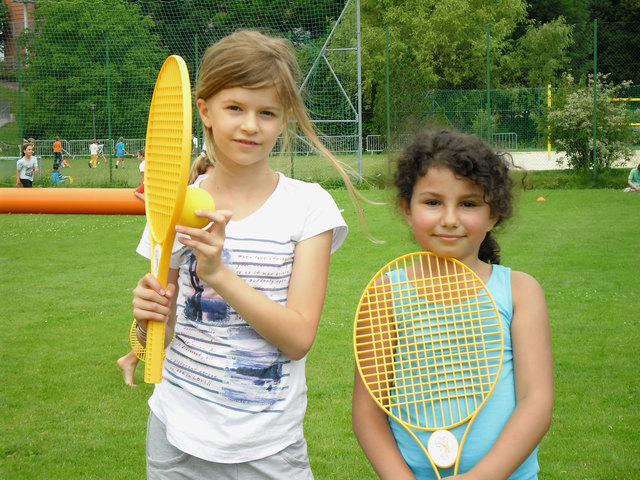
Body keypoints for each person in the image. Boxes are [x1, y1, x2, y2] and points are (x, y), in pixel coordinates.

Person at [130, 29, 371, 478]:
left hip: (268, 449)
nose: (249, 125)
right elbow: (158, 338)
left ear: (284, 120)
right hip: (175, 437)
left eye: (267, 113)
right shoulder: (171, 203)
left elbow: (298, 338)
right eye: (235, 108)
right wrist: (149, 321)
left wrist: (218, 273)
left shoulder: (308, 206)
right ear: (204, 110)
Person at [352, 130, 554, 480]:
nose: (449, 218)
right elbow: (368, 414)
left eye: (469, 203)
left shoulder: (521, 292)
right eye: (432, 202)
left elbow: (535, 403)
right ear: (406, 209)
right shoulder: (383, 295)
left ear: (493, 215)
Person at [117, 154, 217, 387]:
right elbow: (163, 323)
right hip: (180, 385)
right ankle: (130, 360)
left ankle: (129, 360)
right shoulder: (180, 205)